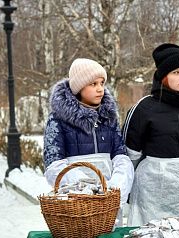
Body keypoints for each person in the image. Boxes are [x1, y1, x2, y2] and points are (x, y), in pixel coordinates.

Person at [123, 44, 179, 226]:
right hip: (154, 195)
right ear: (163, 76)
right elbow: (130, 156)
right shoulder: (143, 109)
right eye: (176, 72)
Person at [43, 58, 134, 225]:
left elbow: (121, 156)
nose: (100, 89)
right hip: (75, 203)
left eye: (101, 83)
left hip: (109, 204)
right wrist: (88, 189)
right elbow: (53, 164)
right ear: (78, 88)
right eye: (93, 84)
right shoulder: (58, 119)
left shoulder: (109, 117)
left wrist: (115, 188)